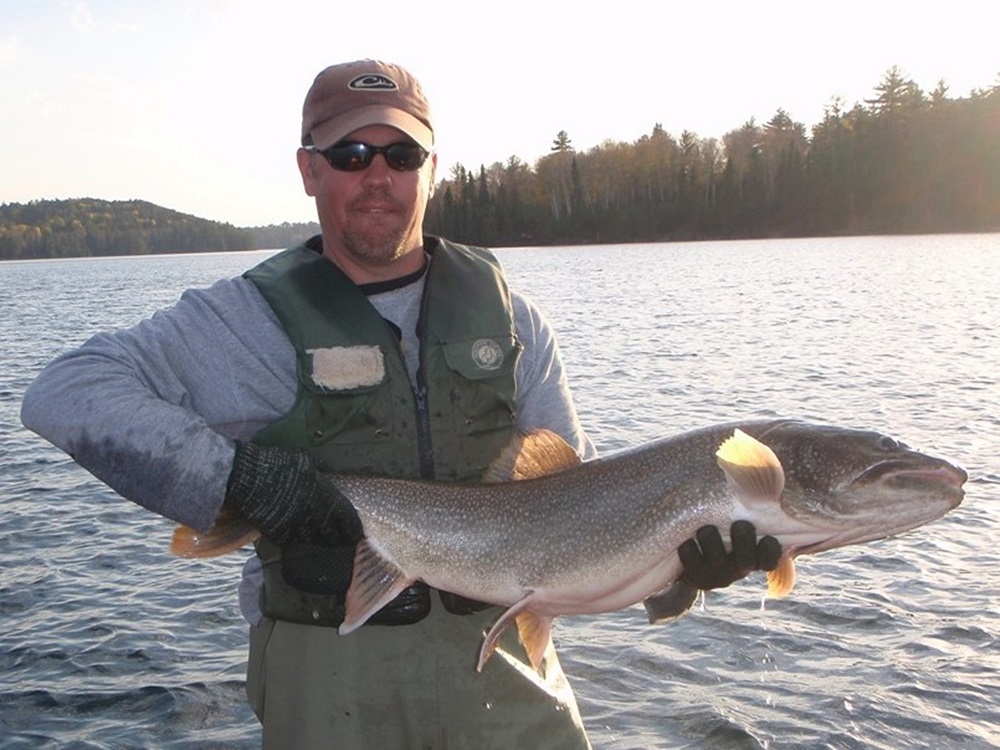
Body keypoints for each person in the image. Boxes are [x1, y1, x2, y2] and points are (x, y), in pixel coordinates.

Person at [20, 59, 780, 749]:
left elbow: (573, 537)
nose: (377, 175)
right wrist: (242, 484)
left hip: (508, 680)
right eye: (351, 155)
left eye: (401, 154)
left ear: (432, 168)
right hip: (331, 687)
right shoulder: (242, 320)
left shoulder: (511, 316)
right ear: (309, 170)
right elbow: (65, 391)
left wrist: (679, 574)